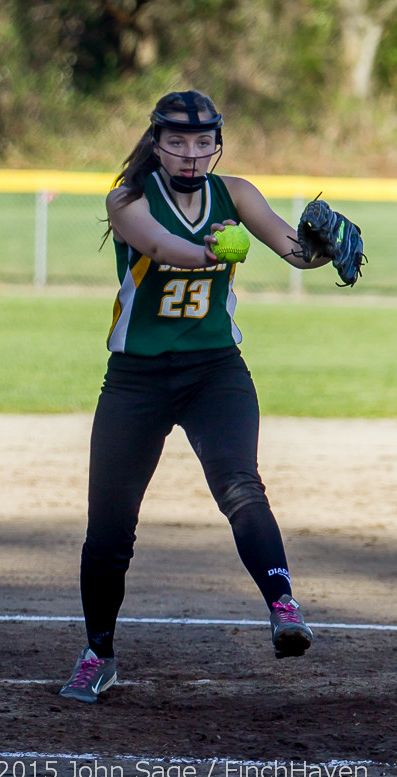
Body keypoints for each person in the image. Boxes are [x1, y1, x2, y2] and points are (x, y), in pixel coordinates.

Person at [59, 89, 343, 703]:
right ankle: (98, 652)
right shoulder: (127, 198)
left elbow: (292, 251)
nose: (192, 154)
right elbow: (165, 249)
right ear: (156, 143)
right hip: (136, 380)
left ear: (218, 144)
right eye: (178, 141)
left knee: (241, 486)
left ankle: (284, 608)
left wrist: (319, 252)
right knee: (109, 532)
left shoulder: (235, 193)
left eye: (203, 141)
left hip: (215, 371)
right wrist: (212, 250)